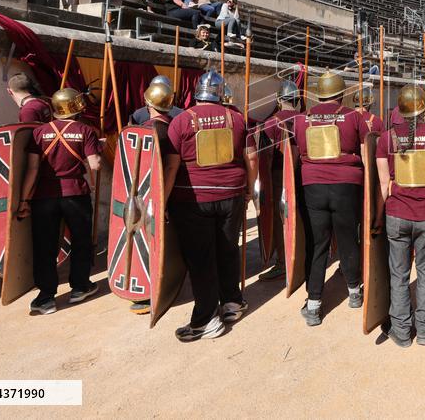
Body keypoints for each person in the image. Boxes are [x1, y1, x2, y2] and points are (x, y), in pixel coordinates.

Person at [164, 70, 256, 342]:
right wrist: (250, 189)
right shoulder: (237, 119)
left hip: (193, 199)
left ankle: (206, 320)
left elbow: (171, 165)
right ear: (221, 93)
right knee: (227, 248)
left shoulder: (181, 121)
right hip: (231, 194)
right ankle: (231, 302)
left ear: (197, 92)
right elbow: (251, 158)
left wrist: (163, 199)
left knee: (201, 258)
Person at [376, 86, 425, 347]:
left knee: (398, 274)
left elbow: (384, 185)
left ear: (399, 110)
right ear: (424, 111)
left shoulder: (385, 139)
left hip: (397, 212)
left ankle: (401, 331)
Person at [293, 70, 371, 326]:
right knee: (349, 239)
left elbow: (296, 155)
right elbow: (364, 151)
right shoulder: (353, 117)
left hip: (312, 184)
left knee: (317, 245)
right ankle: (354, 292)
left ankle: (314, 304)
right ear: (340, 93)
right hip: (347, 184)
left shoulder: (301, 119)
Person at [17, 88, 104, 315]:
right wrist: (96, 156)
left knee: (45, 245)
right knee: (81, 240)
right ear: (77, 107)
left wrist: (24, 199)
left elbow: (33, 170)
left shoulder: (39, 132)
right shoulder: (85, 130)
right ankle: (80, 287)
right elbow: (95, 164)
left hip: (43, 197)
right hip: (75, 193)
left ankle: (46, 297)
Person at [125, 78, 176, 316]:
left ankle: (150, 290)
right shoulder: (177, 125)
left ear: (147, 102)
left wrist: (160, 199)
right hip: (170, 193)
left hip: (152, 197)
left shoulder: (144, 128)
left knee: (150, 244)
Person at [257, 80, 303, 280]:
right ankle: (300, 256)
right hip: (304, 174)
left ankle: (283, 262)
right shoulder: (306, 119)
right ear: (296, 99)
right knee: (300, 217)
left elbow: (264, 158)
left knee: (281, 218)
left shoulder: (271, 123)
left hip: (279, 177)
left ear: (278, 100)